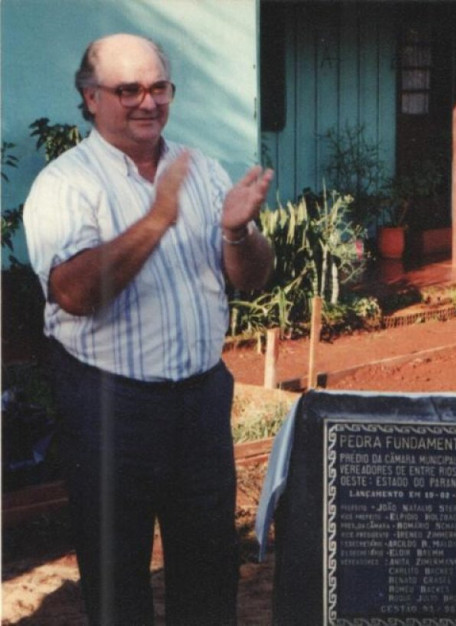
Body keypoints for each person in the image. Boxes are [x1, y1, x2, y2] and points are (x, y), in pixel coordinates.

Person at [23, 33, 274, 625]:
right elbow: (75, 293)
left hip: (199, 400)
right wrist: (158, 218)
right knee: (116, 580)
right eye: (127, 89)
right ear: (91, 99)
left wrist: (238, 233)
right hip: (109, 405)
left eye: (158, 87)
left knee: (210, 570)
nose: (147, 102)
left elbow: (253, 278)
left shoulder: (201, 168)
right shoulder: (65, 185)